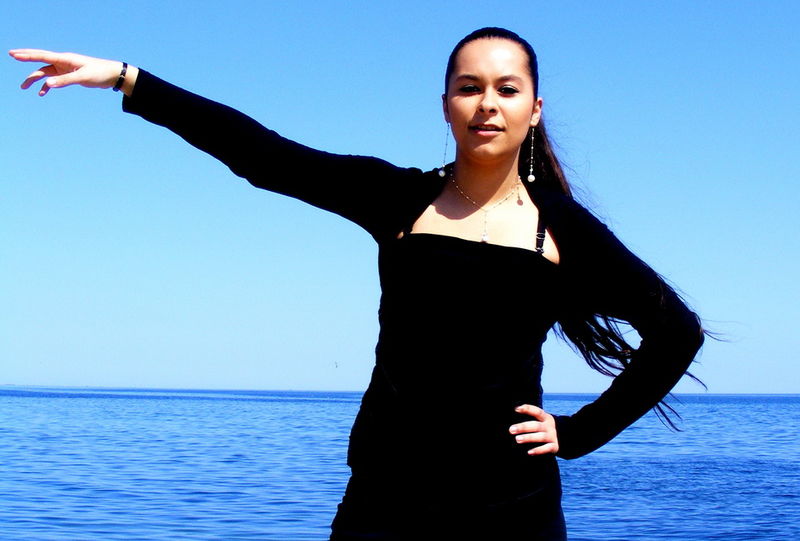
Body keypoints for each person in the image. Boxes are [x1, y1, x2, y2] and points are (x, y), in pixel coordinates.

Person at [10, 27, 704, 541]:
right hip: (384, 502)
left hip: (511, 509)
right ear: (445, 105)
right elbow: (264, 156)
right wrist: (129, 79)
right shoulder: (398, 199)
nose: (487, 104)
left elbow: (676, 332)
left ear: (535, 108)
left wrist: (579, 433)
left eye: (506, 88)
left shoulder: (561, 228)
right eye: (469, 87)